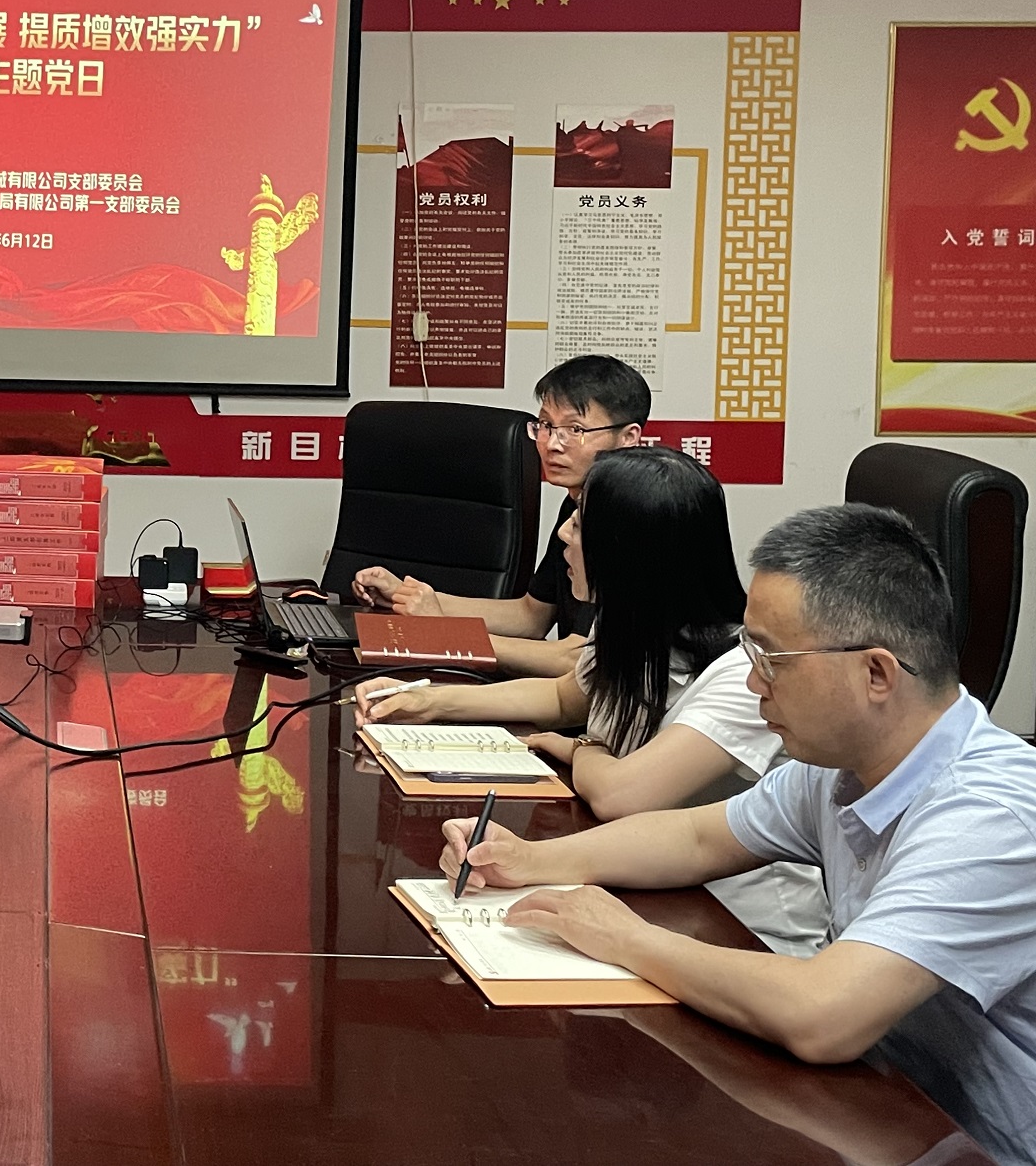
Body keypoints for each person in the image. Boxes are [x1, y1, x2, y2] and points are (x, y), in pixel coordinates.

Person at [440, 504, 1036, 1166]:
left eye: (772, 659)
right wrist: (528, 859)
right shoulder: (843, 765)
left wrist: (626, 938)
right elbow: (697, 839)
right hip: (885, 1103)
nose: (754, 683)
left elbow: (824, 1013)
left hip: (977, 1142)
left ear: (876, 673)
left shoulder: (990, 816)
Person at [354, 446, 826, 953]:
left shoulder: (740, 673)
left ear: (628, 551)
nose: (563, 534)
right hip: (645, 883)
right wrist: (429, 702)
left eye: (580, 524)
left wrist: (584, 748)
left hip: (741, 927)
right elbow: (563, 699)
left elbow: (622, 795)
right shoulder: (631, 621)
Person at [352, 354, 650, 676]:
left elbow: (578, 659)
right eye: (546, 426)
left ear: (628, 438)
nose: (552, 444)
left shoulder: (637, 518)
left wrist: (445, 634)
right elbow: (531, 616)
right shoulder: (576, 502)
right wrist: (405, 595)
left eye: (575, 429)